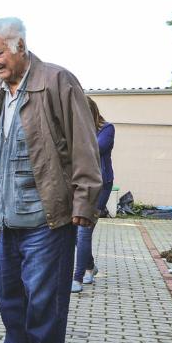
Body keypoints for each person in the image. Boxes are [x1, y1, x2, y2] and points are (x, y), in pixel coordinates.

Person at [0, 17, 101, 343]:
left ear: (20, 46)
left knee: (45, 299)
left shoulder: (58, 82)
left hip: (47, 215)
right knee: (9, 294)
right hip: (7, 215)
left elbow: (84, 144)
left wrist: (85, 200)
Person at [72, 97, 115, 294]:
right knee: (75, 233)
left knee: (83, 230)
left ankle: (77, 278)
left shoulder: (106, 129)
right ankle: (90, 266)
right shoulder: (73, 128)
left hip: (100, 184)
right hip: (78, 184)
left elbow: (95, 149)